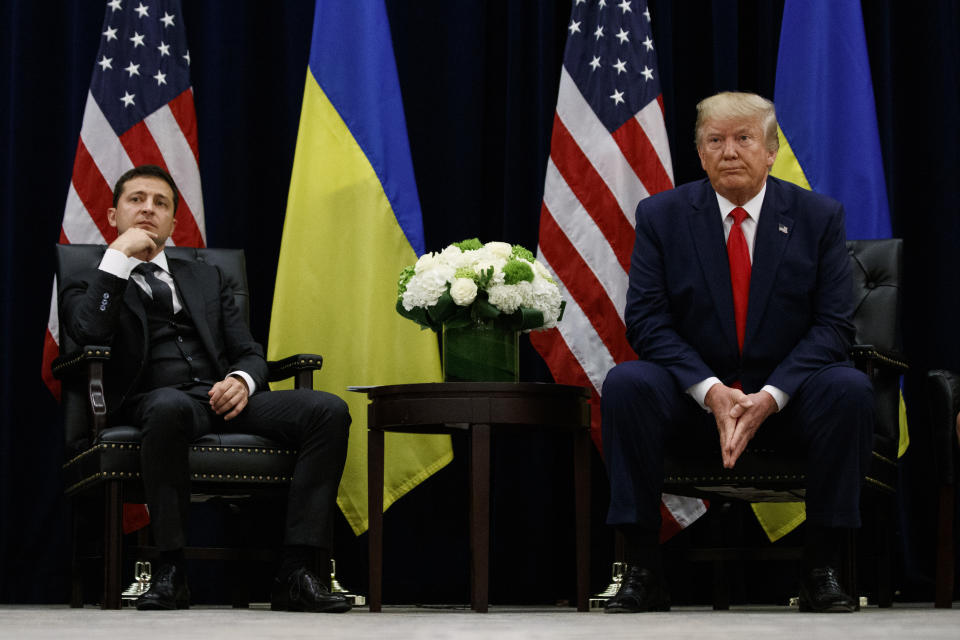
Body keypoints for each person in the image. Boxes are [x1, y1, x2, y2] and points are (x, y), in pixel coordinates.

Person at [601, 92, 874, 613]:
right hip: (694, 402)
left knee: (848, 388)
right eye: (715, 141)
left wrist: (770, 396)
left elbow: (834, 326)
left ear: (770, 150)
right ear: (700, 154)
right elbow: (647, 321)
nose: (730, 151)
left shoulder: (818, 216)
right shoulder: (662, 216)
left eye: (744, 138)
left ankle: (823, 569)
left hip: (788, 402)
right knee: (628, 384)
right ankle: (642, 568)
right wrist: (711, 392)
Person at [60, 165, 352, 613]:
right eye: (135, 200)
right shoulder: (93, 277)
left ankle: (296, 570)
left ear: (174, 222)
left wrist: (243, 380)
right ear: (112, 214)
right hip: (156, 402)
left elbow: (249, 351)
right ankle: (171, 570)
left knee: (327, 410)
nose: (147, 210)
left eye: (160, 203)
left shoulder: (205, 277)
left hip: (223, 400)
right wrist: (118, 256)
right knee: (168, 406)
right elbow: (87, 334)